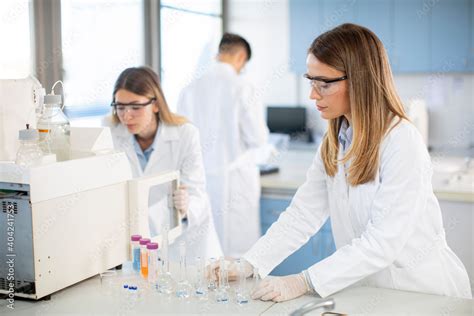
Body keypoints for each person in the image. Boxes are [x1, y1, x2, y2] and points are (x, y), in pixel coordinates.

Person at [209, 24, 472, 301]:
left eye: (324, 84)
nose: (313, 94)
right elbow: (302, 215)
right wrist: (249, 263)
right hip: (370, 294)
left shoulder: (401, 141)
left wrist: (304, 281)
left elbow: (382, 242)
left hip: (424, 295)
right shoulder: (335, 141)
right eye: (311, 81)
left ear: (360, 79)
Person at [106, 66, 222, 261]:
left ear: (156, 104)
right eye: (120, 107)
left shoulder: (185, 134)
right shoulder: (110, 133)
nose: (126, 116)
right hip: (138, 243)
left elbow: (197, 194)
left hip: (185, 243)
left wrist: (187, 206)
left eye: (135, 107)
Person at [177, 33, 269, 257]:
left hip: (199, 183)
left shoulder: (190, 87)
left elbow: (181, 139)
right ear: (240, 56)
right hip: (235, 183)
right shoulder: (242, 86)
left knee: (205, 255)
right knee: (238, 259)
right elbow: (257, 138)